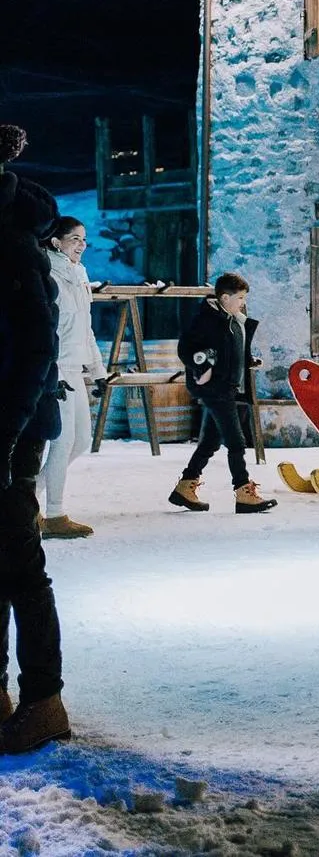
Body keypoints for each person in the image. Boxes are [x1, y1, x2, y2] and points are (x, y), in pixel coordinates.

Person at [0, 124, 72, 753]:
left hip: (10, 430)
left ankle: (44, 699)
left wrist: (7, 435)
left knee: (19, 563)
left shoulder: (15, 245)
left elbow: (34, 352)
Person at [169, 272, 276, 515]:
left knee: (209, 442)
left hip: (228, 387)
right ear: (225, 298)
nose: (243, 302)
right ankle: (243, 491)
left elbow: (233, 348)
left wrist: (248, 361)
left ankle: (185, 486)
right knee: (236, 441)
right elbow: (187, 348)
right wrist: (203, 367)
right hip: (215, 388)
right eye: (239, 298)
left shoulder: (235, 319)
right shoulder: (207, 320)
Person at [37, 217, 108, 539]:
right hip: (57, 369)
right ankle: (53, 514)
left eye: (84, 240)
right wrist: (51, 372)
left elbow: (86, 330)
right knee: (62, 441)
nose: (81, 245)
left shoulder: (78, 275)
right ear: (55, 242)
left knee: (80, 441)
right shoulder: (48, 275)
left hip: (75, 368)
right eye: (75, 239)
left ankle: (20, 501)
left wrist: (98, 371)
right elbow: (43, 330)